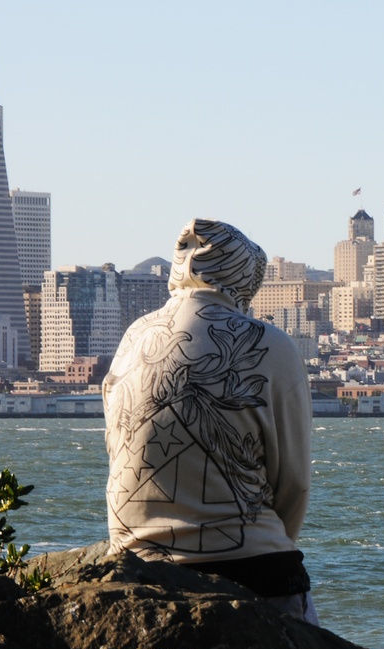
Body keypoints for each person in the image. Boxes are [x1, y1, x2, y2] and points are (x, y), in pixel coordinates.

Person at [103, 218, 317, 624]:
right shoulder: (270, 344)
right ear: (242, 275)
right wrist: (269, 539)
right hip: (250, 564)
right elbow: (295, 481)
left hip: (136, 560)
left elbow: (118, 448)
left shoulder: (132, 338)